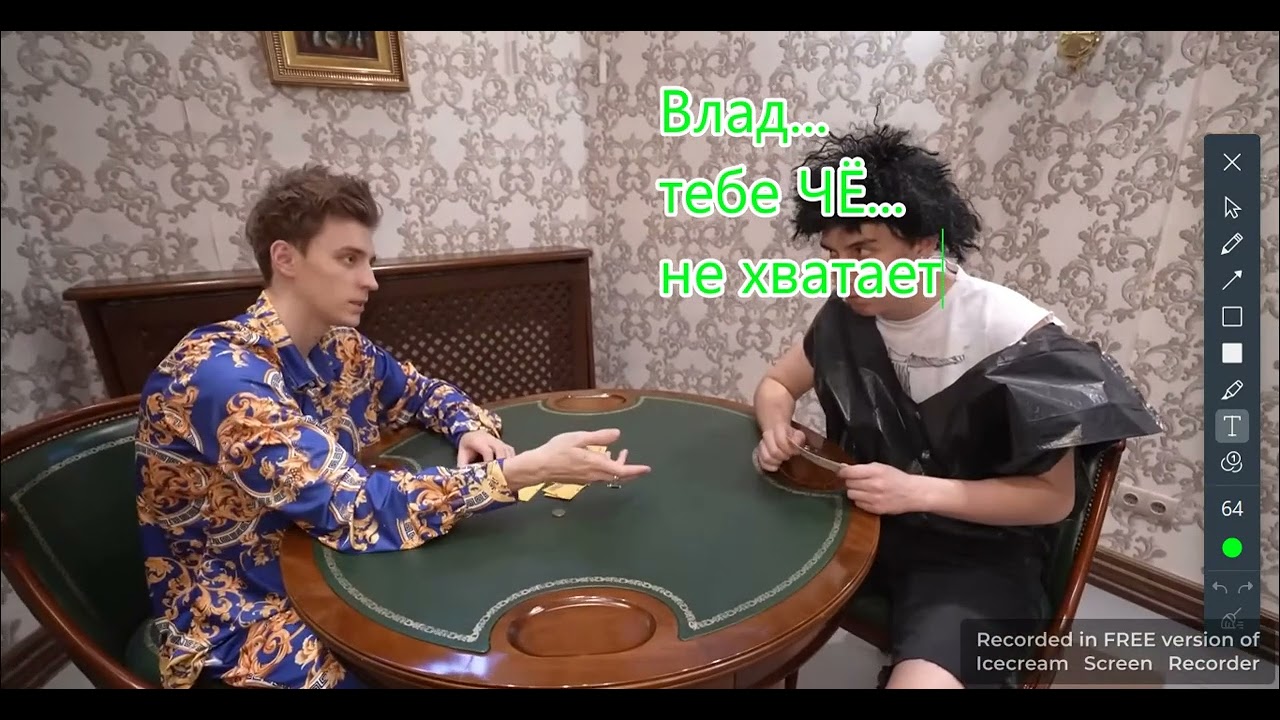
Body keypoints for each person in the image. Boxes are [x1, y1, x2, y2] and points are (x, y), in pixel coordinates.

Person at [134, 164, 651, 690]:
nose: (370, 280)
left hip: (337, 571)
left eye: (369, 261)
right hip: (244, 613)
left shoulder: (341, 346)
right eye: (348, 259)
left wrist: (467, 427)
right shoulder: (220, 376)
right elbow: (354, 508)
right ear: (285, 259)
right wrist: (523, 471)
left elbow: (423, 392)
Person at [751, 125, 1162, 689]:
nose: (843, 273)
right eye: (833, 255)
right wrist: (776, 428)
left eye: (863, 250)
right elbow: (777, 383)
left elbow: (1053, 500)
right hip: (858, 528)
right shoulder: (847, 313)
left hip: (978, 557)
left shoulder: (1014, 334)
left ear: (924, 243)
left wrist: (916, 491)